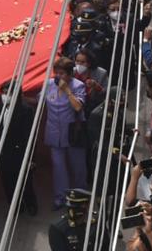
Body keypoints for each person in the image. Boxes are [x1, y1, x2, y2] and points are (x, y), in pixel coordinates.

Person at [0, 81, 39, 215]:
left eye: (8, 93)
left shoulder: (26, 110)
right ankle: (15, 207)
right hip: (4, 151)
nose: (5, 96)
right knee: (7, 181)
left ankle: (31, 204)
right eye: (3, 93)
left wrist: (30, 158)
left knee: (25, 181)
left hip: (20, 151)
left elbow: (29, 136)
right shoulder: (1, 107)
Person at [45, 57, 88, 210]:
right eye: (56, 73)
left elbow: (78, 107)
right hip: (54, 133)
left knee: (78, 168)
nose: (58, 76)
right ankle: (60, 199)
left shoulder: (78, 86)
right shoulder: (49, 84)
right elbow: (39, 101)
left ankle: (80, 196)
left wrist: (67, 90)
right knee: (58, 168)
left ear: (70, 74)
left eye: (62, 73)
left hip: (73, 133)